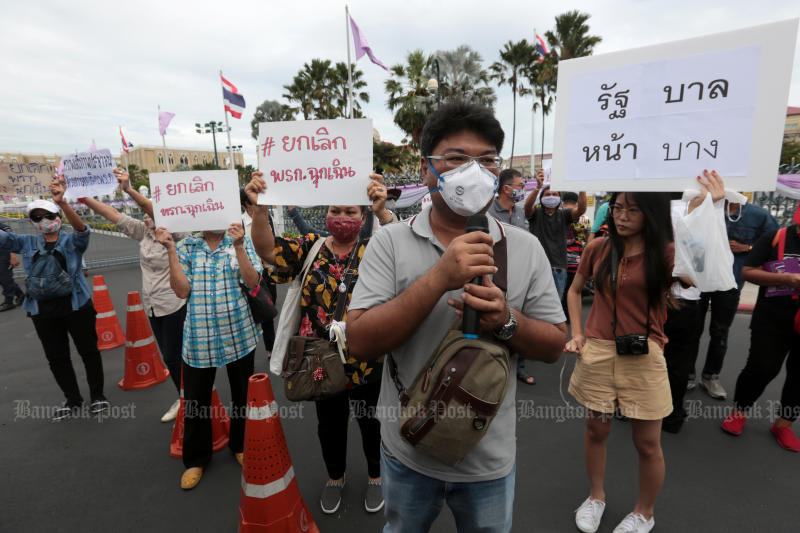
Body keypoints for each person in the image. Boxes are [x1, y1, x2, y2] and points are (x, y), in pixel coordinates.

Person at [346, 101, 567, 533]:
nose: (474, 171)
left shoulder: (525, 247)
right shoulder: (390, 242)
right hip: (408, 448)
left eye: (486, 160)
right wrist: (438, 278)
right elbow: (360, 341)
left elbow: (556, 345)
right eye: (457, 159)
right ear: (428, 168)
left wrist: (506, 321)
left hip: (488, 458)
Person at [564, 171, 725, 533]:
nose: (621, 216)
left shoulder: (666, 254)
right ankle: (596, 497)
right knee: (595, 430)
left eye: (632, 210)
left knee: (648, 443)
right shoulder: (598, 248)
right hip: (599, 351)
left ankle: (644, 513)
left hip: (646, 355)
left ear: (650, 213)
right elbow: (575, 290)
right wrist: (577, 333)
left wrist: (704, 214)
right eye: (618, 207)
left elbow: (701, 275)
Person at [246, 171, 394, 515]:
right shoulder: (309, 247)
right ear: (326, 215)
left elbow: (408, 247)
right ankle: (335, 477)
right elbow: (267, 250)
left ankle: (376, 476)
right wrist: (258, 209)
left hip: (367, 357)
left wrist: (384, 211)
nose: (342, 218)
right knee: (329, 425)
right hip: (319, 361)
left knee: (372, 421)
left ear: (364, 215)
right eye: (336, 211)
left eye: (351, 212)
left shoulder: (378, 246)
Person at [155, 220, 261, 490]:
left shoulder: (240, 240)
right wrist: (169, 250)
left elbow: (252, 281)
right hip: (199, 337)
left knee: (242, 395)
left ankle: (240, 444)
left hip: (239, 333)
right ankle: (195, 459)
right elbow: (182, 291)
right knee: (195, 400)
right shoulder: (187, 247)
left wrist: (238, 247)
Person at [80, 168, 188, 422]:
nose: (145, 216)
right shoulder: (144, 232)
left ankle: (192, 400)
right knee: (170, 357)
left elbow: (155, 211)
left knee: (175, 357)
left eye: (150, 212)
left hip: (175, 303)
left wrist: (128, 189)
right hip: (152, 305)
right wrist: (83, 198)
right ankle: (184, 398)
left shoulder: (179, 233)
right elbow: (114, 214)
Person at [0, 176, 108, 421]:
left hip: (76, 305)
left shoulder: (70, 241)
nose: (44, 221)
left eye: (48, 215)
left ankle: (98, 395)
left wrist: (64, 203)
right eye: (37, 217)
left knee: (88, 351)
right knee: (56, 357)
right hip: (42, 310)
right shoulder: (26, 242)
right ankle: (72, 399)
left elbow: (82, 232)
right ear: (32, 222)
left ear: (58, 216)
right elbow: (4, 239)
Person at [721, 205, 800, 452]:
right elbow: (748, 271)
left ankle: (784, 424)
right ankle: (740, 411)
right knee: (761, 367)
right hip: (773, 318)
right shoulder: (776, 237)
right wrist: (786, 278)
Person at [687, 199, 779, 398]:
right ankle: (688, 373)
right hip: (699, 279)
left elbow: (775, 244)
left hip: (730, 282)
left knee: (720, 332)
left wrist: (747, 248)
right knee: (692, 329)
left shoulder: (758, 215)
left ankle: (711, 376)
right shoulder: (704, 210)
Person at [487, 168, 535, 386]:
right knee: (496, 318)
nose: (523, 190)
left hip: (520, 274)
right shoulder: (487, 211)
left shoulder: (520, 211)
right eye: (520, 186)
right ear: (506, 189)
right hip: (496, 275)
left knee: (520, 318)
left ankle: (520, 368)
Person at [661, 194, 702, 434]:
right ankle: (673, 414)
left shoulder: (656, 208)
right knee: (678, 362)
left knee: (645, 356)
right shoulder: (701, 210)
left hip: (669, 299)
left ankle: (635, 407)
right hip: (681, 300)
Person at [240, 188, 278, 358]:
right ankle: (251, 350)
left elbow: (276, 240)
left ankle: (271, 348)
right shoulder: (240, 223)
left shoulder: (268, 217)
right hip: (251, 276)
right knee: (252, 314)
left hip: (268, 273)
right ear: (247, 203)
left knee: (268, 311)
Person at [563, 191, 592, 311]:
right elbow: (588, 238)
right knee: (574, 289)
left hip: (559, 257)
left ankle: (561, 314)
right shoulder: (584, 219)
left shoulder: (560, 214)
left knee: (561, 288)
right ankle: (572, 312)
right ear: (576, 203)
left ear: (563, 202)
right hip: (577, 257)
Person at [0, 220, 25, 311]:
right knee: (4, 278)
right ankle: (21, 296)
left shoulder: (2, 226)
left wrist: (12, 255)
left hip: (4, 253)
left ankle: (8, 301)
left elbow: (11, 239)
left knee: (4, 278)